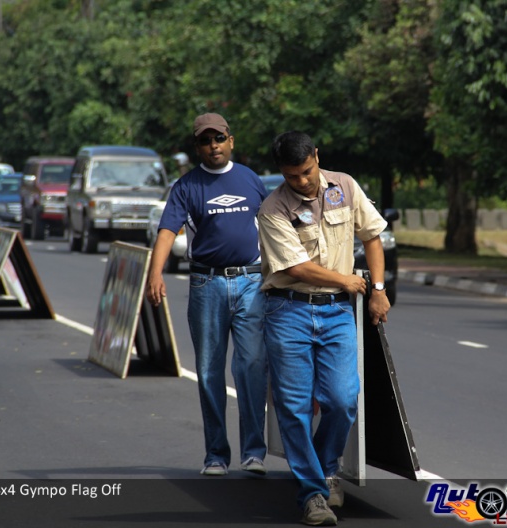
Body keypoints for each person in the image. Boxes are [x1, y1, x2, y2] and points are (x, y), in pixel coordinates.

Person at [257, 131, 391, 526]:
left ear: (317, 156)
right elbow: (294, 268)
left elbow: (372, 236)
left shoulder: (345, 186)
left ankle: (323, 466)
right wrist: (345, 281)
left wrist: (378, 290)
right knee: (295, 408)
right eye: (291, 175)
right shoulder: (273, 208)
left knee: (342, 398)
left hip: (335, 314)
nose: (301, 181)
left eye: (306, 171)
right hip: (289, 312)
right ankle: (314, 494)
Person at [146, 113, 268, 477]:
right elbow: (168, 231)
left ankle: (253, 452)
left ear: (232, 140)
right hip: (206, 285)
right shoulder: (186, 186)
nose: (213, 145)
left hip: (250, 282)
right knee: (209, 370)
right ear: (197, 146)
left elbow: (278, 224)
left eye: (219, 138)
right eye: (205, 140)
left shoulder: (251, 179)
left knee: (250, 366)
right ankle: (216, 455)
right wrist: (155, 274)